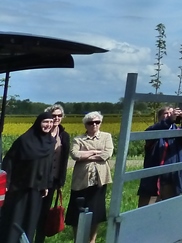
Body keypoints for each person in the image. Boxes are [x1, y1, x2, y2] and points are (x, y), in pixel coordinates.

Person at [0, 111, 56, 243]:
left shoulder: (51, 142)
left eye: (50, 122)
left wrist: (46, 184)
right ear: (38, 123)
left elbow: (49, 165)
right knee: (15, 218)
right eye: (45, 122)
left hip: (37, 189)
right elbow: (9, 161)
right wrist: (6, 183)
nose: (48, 125)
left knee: (31, 219)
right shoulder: (24, 140)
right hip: (19, 188)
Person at [65, 112, 113, 243]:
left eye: (97, 122)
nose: (94, 125)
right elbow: (75, 154)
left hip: (99, 179)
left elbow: (107, 154)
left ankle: (92, 240)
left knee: (96, 211)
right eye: (91, 123)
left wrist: (85, 155)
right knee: (76, 211)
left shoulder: (106, 136)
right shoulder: (78, 139)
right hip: (81, 180)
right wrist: (95, 152)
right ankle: (78, 239)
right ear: (85, 125)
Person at [137, 106, 182, 206]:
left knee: (170, 212)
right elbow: (150, 133)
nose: (170, 115)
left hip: (172, 181)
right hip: (153, 182)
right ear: (159, 117)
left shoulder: (178, 133)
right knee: (146, 213)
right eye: (166, 113)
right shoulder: (153, 130)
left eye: (172, 113)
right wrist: (169, 120)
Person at [34, 104, 70, 243]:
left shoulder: (64, 135)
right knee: (34, 210)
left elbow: (64, 159)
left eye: (59, 115)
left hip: (53, 180)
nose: (56, 118)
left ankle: (39, 239)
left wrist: (61, 180)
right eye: (54, 115)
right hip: (38, 179)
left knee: (45, 212)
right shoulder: (41, 133)